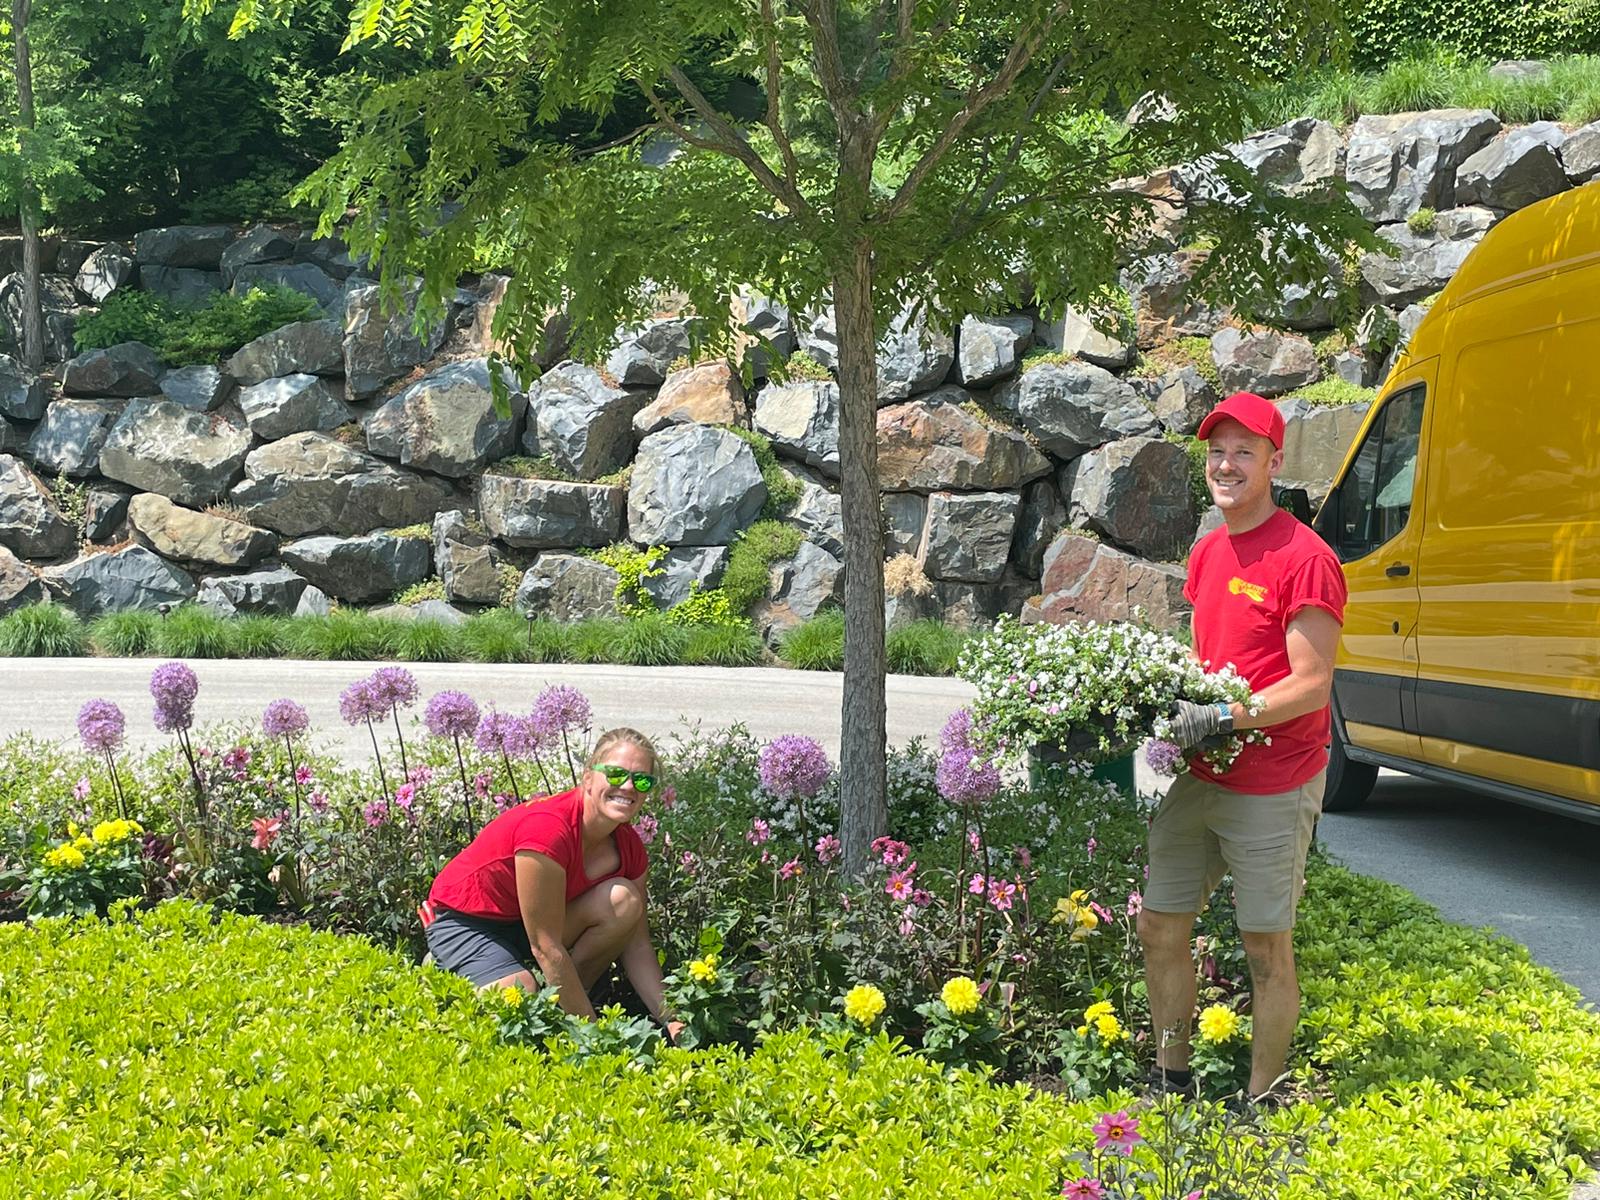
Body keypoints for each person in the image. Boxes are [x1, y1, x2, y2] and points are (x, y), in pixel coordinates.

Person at [1137, 391, 1347, 1105]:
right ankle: (1172, 1081)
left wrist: (1222, 716)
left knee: (1265, 950)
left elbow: (1313, 685)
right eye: (1217, 452)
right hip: (1205, 774)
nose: (1227, 465)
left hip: (1275, 781)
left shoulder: (1305, 558)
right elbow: (1208, 658)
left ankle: (1260, 1101)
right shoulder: (1205, 552)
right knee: (1160, 923)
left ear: (1274, 461)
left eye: (1244, 452)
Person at [420, 726, 683, 1039]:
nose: (627, 786)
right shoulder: (548, 829)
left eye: (641, 780)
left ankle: (559, 1012)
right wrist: (595, 1040)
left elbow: (637, 943)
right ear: (588, 777)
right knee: (518, 997)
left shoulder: (629, 848)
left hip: (527, 926)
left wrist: (673, 1020)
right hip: (468, 922)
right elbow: (545, 946)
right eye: (615, 774)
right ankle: (444, 965)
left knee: (623, 901)